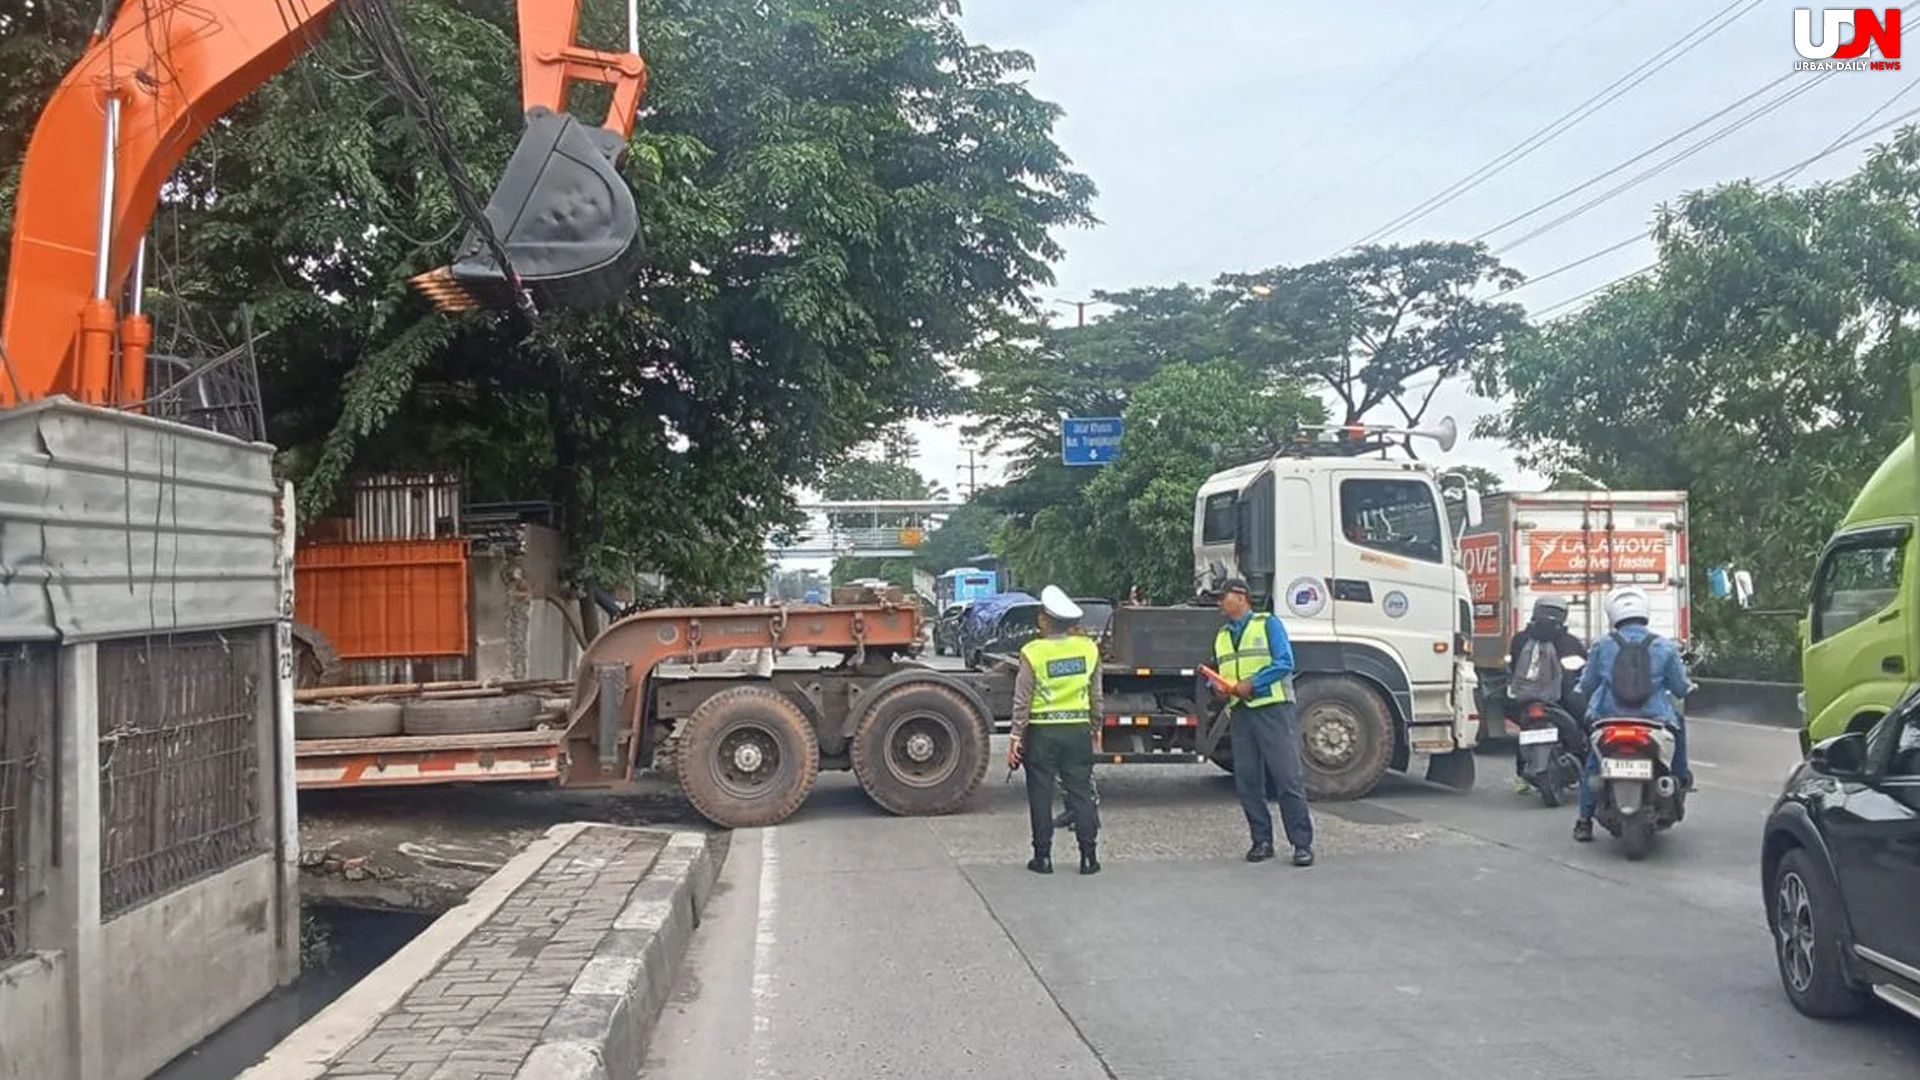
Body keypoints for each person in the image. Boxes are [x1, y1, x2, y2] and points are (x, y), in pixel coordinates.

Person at [1572, 586, 1695, 842]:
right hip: (1654, 718)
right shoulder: (1664, 646)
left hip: (1608, 718)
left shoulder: (1602, 645)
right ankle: (1680, 777)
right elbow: (1680, 688)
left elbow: (1587, 684)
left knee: (1594, 766)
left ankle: (1584, 821)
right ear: (1645, 612)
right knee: (1678, 728)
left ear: (1613, 615)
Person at [1212, 578, 1315, 866]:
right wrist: (1219, 687)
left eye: (1223, 597)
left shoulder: (1267, 624)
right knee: (1247, 781)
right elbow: (1225, 669)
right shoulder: (1222, 635)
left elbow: (1285, 662)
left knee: (1286, 778)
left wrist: (1252, 684)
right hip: (1241, 712)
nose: (1219, 602)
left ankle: (1301, 844)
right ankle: (1261, 841)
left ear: (1241, 596)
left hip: (1272, 708)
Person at [1007, 585, 1103, 875]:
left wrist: (1015, 736)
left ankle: (1043, 858)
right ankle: (1089, 858)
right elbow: (1097, 695)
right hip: (1077, 730)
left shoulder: (1032, 652)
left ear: (1045, 620)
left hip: (1042, 732)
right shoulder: (1088, 648)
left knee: (1040, 793)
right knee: (1081, 792)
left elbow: (1022, 699)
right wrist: (1096, 726)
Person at [1506, 595, 1588, 786]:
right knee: (1587, 724)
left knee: (1523, 731)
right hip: (1560, 699)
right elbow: (1583, 672)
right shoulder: (1569, 641)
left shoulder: (1520, 639)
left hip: (1524, 699)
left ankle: (1522, 776)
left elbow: (1512, 668)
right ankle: (1587, 769)